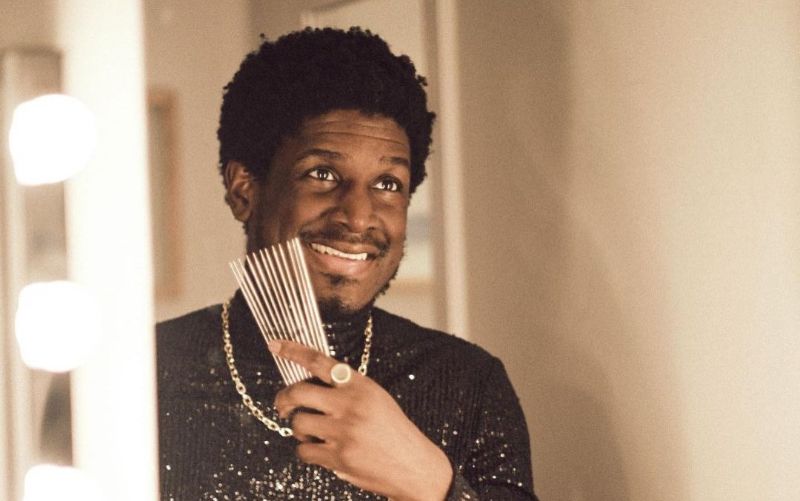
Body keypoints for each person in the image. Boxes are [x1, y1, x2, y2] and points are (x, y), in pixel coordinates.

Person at [157, 27, 538, 500]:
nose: (358, 217)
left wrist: (429, 483)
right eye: (323, 174)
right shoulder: (143, 373)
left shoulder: (468, 386)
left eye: (387, 184)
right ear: (244, 191)